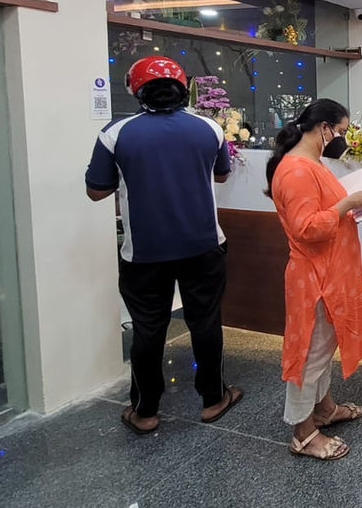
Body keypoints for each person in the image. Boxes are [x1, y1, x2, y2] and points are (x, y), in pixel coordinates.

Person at [85, 56, 244, 436]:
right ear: (182, 89)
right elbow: (222, 175)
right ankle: (213, 398)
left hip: (144, 253)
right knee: (205, 321)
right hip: (203, 245)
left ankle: (145, 411)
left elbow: (96, 191)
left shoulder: (115, 133)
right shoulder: (209, 128)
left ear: (136, 91)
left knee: (148, 328)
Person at [266, 98, 362, 461]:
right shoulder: (297, 170)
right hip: (315, 279)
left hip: (331, 273)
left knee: (323, 347)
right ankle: (302, 432)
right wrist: (348, 204)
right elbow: (307, 228)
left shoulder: (312, 163)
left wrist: (356, 206)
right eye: (341, 131)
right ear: (324, 128)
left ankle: (324, 409)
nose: (342, 139)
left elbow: (323, 211)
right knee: (310, 354)